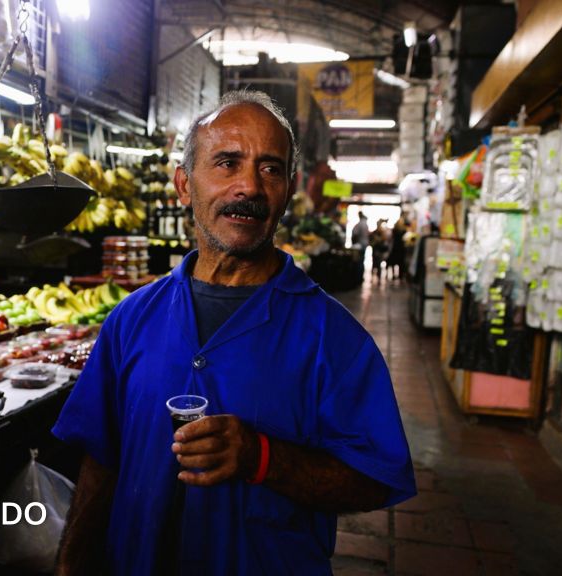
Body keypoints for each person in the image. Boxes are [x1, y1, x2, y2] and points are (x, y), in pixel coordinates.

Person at [52, 90, 415, 576]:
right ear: (184, 184)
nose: (249, 186)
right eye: (226, 162)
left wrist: (262, 458)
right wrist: (70, 566)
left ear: (286, 191)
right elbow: (100, 460)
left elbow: (374, 479)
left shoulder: (335, 339)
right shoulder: (131, 319)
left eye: (270, 169)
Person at [387, 215, 408, 280]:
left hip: (396, 247)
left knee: (394, 262)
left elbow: (391, 238)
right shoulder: (403, 230)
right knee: (400, 262)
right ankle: (400, 276)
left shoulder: (395, 230)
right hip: (401, 248)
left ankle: (394, 275)